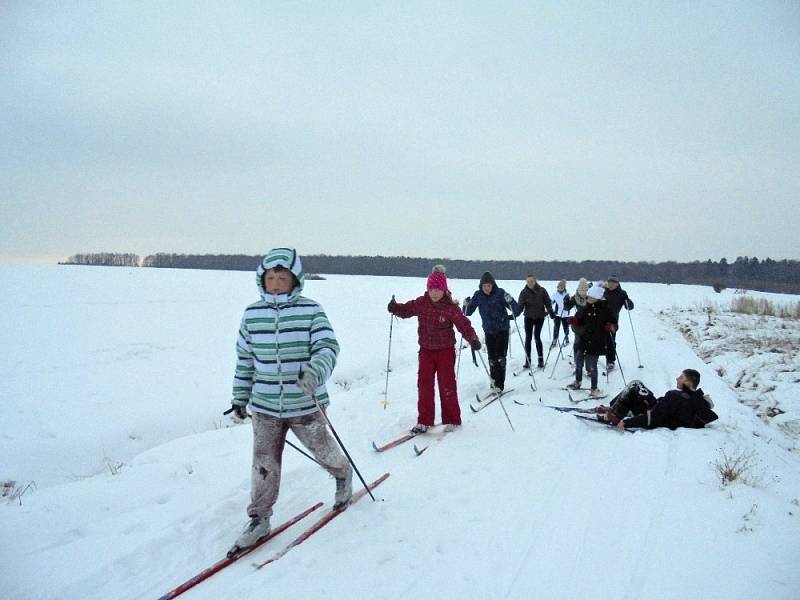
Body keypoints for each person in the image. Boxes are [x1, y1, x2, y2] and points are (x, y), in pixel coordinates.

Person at [229, 247, 351, 554]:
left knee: (323, 451)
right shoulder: (252, 314)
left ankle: (342, 474)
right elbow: (245, 360)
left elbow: (327, 347)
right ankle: (259, 519)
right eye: (270, 277)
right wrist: (240, 397)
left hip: (305, 404)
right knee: (263, 464)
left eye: (282, 277)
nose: (276, 282)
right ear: (262, 279)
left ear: (295, 279)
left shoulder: (311, 310)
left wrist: (315, 372)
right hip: (265, 407)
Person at [388, 267, 481, 434]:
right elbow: (407, 310)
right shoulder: (422, 303)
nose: (435, 293)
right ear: (428, 289)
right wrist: (395, 308)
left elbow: (463, 324)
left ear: (444, 290)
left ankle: (452, 419)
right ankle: (424, 421)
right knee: (424, 385)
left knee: (447, 385)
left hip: (445, 351)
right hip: (426, 351)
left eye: (438, 289)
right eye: (432, 289)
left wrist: (472, 338)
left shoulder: (450, 307)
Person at [595, 369, 718, 431]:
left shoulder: (676, 397)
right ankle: (614, 408)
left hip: (651, 414)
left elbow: (653, 418)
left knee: (634, 386)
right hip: (655, 407)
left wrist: (626, 423)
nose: (677, 379)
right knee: (637, 385)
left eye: (681, 378)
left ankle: (614, 415)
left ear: (688, 382)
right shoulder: (692, 399)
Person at [465, 272, 520, 390]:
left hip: (502, 330)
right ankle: (493, 382)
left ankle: (500, 385)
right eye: (484, 286)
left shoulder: (500, 293)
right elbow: (467, 312)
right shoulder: (478, 295)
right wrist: (465, 305)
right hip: (489, 331)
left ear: (493, 285)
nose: (487, 288)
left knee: (500, 358)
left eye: (489, 285)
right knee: (491, 359)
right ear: (481, 286)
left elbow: (517, 310)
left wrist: (510, 302)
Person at [566, 285, 615, 397]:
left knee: (592, 365)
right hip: (584, 339)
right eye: (588, 297)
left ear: (597, 297)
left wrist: (611, 326)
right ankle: (577, 381)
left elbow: (614, 324)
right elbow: (580, 320)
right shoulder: (585, 308)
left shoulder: (605, 309)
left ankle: (594, 388)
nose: (588, 299)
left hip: (597, 341)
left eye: (590, 297)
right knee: (578, 361)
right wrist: (574, 320)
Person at [517, 275, 554, 369]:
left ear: (535, 281)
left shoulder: (542, 290)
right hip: (528, 317)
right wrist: (514, 315)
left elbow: (548, 302)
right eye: (528, 281)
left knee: (537, 336)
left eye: (532, 281)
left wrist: (551, 311)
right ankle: (527, 360)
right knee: (528, 338)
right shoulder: (524, 292)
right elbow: (520, 306)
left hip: (539, 317)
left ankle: (540, 359)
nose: (530, 283)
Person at [603, 276, 634, 371]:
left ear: (617, 283)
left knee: (610, 340)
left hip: (613, 321)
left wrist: (628, 301)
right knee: (595, 338)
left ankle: (610, 361)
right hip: (599, 318)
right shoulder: (602, 291)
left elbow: (629, 307)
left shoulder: (622, 293)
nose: (611, 285)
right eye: (609, 283)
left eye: (613, 283)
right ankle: (590, 357)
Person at [551, 279, 571, 348]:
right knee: (556, 327)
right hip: (557, 314)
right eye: (559, 287)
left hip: (565, 315)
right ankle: (555, 339)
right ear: (557, 287)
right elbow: (551, 303)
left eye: (562, 287)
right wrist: (548, 308)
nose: (560, 288)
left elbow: (570, 304)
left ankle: (566, 339)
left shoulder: (567, 295)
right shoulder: (555, 295)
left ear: (564, 287)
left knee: (565, 327)